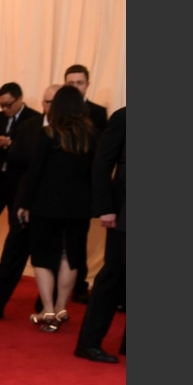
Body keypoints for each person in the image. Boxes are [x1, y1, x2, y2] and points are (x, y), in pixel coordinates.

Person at [0, 84, 61, 321]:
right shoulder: (30, 127)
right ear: (42, 103)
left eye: (55, 102)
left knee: (49, 257)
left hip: (52, 206)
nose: (50, 106)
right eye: (47, 101)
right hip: (23, 200)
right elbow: (15, 160)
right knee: (12, 254)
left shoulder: (69, 131)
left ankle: (46, 307)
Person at [15, 85, 97, 332]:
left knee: (41, 256)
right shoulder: (92, 136)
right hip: (79, 207)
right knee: (69, 256)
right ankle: (62, 307)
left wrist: (25, 203)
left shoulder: (48, 134)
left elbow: (35, 173)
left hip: (46, 204)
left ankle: (48, 308)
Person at [76, 106, 125, 362]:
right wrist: (105, 208)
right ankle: (88, 342)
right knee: (113, 276)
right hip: (124, 211)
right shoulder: (124, 117)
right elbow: (102, 164)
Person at [0, 82, 41, 229]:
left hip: (19, 179)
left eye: (8, 104)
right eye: (1, 105)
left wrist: (10, 144)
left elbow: (34, 151)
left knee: (16, 223)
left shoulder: (34, 119)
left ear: (19, 99)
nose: (4, 109)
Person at [63, 64, 110, 131]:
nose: (75, 87)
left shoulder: (99, 112)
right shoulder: (56, 108)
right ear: (65, 85)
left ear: (87, 85)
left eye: (80, 83)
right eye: (71, 83)